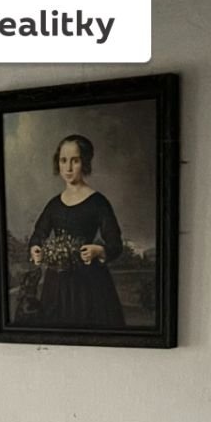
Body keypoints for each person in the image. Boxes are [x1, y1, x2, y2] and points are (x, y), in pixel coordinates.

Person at [19, 135, 125, 328]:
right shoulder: (54, 205)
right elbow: (38, 234)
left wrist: (98, 250)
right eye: (63, 160)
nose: (68, 167)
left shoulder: (98, 202)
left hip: (89, 283)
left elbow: (115, 243)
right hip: (56, 284)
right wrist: (35, 248)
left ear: (84, 162)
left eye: (74, 161)